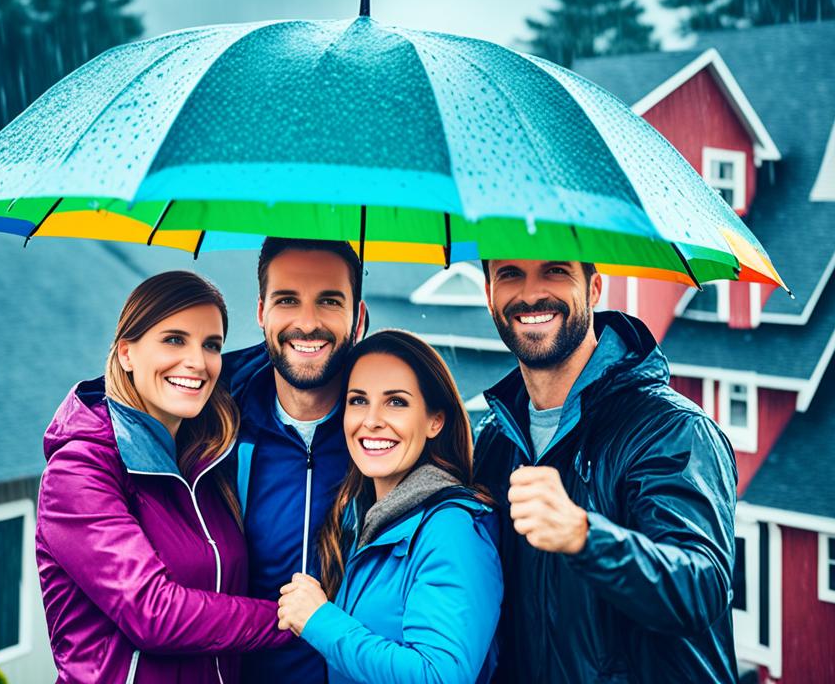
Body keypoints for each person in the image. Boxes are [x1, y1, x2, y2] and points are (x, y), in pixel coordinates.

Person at [473, 258, 738, 683]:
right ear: (489, 295)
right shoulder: (494, 441)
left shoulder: (672, 430)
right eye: (509, 274)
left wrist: (585, 536)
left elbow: (700, 588)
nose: (530, 293)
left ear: (594, 289)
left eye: (555, 270)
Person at [36, 271, 291, 684]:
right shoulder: (80, 471)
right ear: (126, 353)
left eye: (211, 345)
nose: (196, 362)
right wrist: (291, 622)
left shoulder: (203, 465)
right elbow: (153, 613)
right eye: (174, 339)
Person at [277, 329, 502, 684]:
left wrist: (319, 620)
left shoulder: (453, 530)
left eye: (396, 401)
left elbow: (439, 676)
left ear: (435, 420)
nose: (372, 420)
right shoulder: (365, 519)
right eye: (358, 400)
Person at [223, 238, 367, 684]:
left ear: (358, 318)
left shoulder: (390, 434)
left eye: (329, 301)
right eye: (288, 300)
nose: (308, 323)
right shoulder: (212, 421)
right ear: (262, 311)